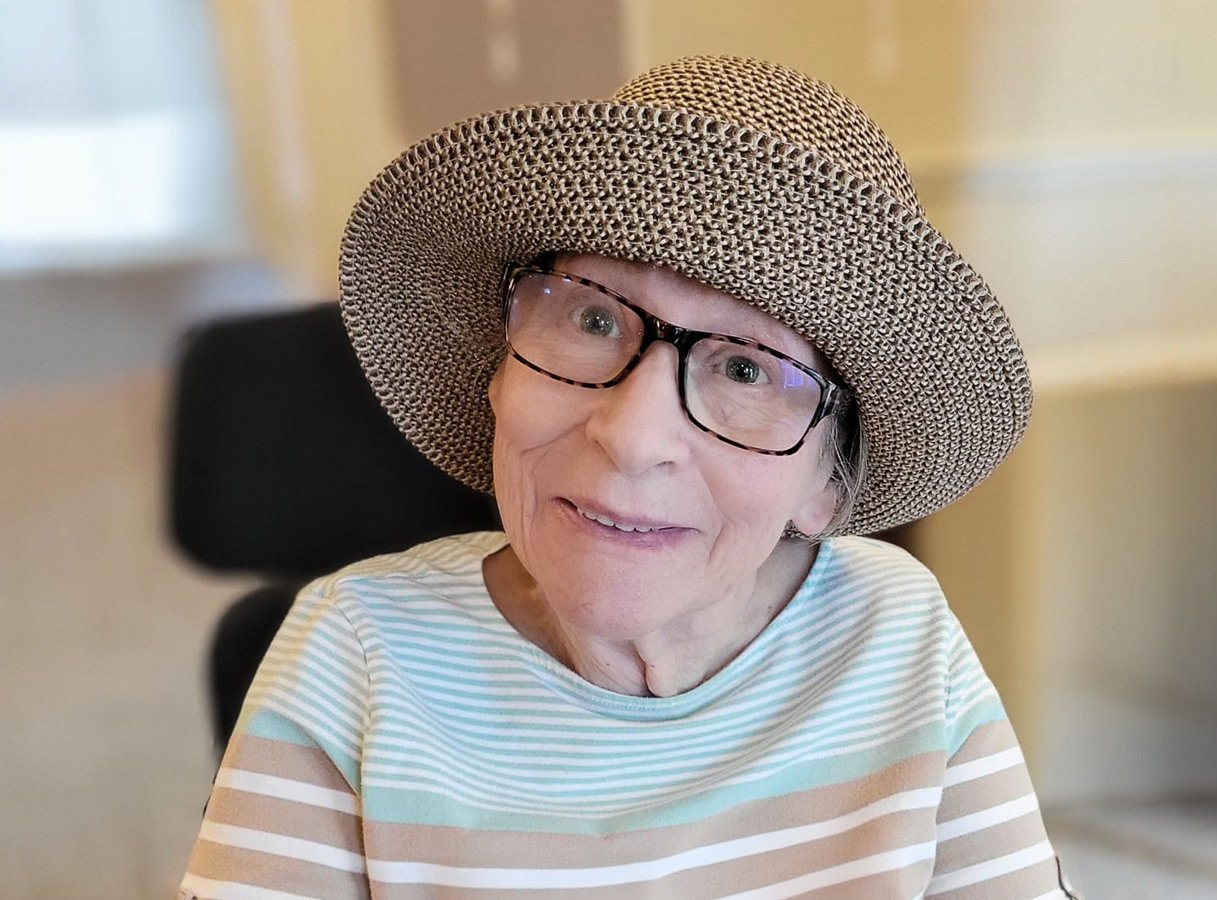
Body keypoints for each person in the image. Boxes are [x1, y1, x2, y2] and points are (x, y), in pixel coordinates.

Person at [179, 55, 1077, 899]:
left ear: (825, 487)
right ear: (501, 370)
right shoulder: (355, 652)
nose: (631, 434)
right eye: (594, 320)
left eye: (744, 370)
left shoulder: (896, 634)